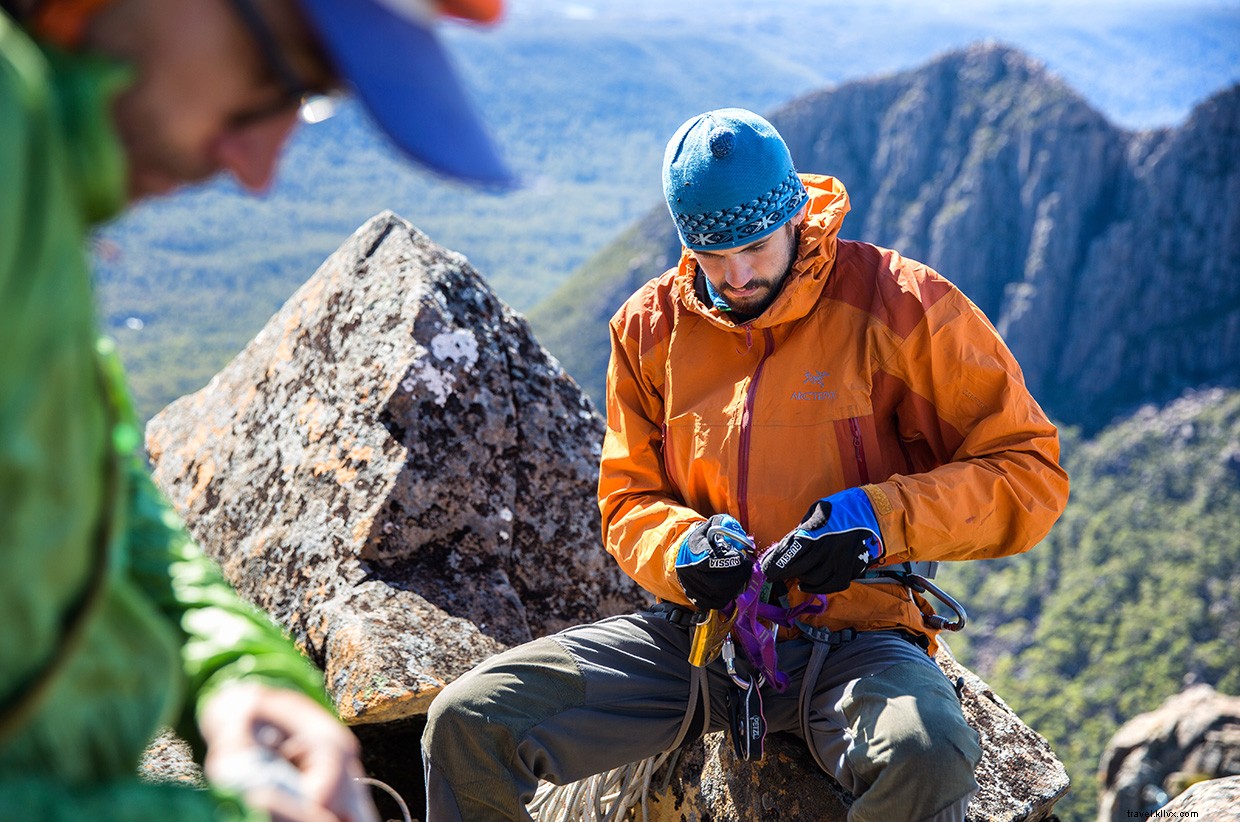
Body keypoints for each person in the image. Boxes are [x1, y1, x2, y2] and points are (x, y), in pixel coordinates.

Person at [421, 108, 1070, 821]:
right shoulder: (650, 329)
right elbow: (628, 498)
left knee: (926, 752)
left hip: (858, 641)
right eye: (709, 253)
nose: (735, 275)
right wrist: (684, 549)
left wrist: (876, 522)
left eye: (755, 246)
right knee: (471, 720)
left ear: (796, 214)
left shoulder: (902, 305)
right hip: (702, 642)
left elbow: (1026, 470)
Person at [0, 0, 512, 819]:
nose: (257, 167)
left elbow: (91, 490)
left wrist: (231, 674)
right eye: (279, 71)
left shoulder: (42, 172)